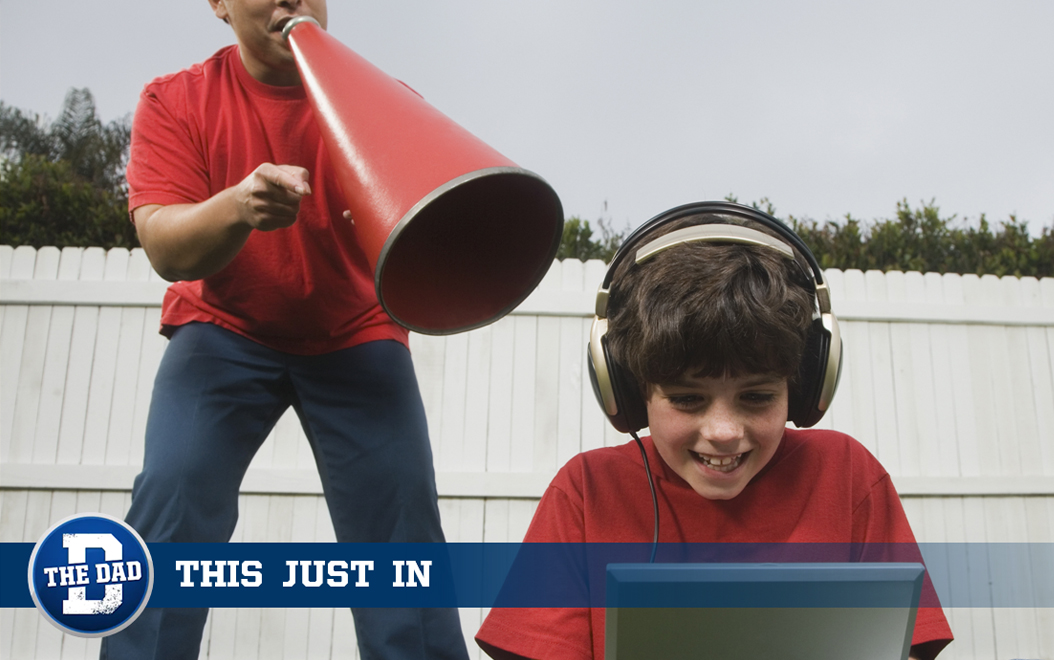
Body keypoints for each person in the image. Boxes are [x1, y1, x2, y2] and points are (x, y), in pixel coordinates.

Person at [99, 1, 468, 658]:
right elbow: (166, 249)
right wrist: (237, 207)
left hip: (355, 333)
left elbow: (428, 234)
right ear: (219, 5)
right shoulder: (176, 101)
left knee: (402, 535)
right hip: (224, 328)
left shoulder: (382, 103)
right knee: (173, 497)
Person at [475, 202, 953, 660]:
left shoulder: (848, 475)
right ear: (630, 390)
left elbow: (907, 646)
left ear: (803, 385)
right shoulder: (584, 493)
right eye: (686, 399)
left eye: (757, 397)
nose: (723, 431)